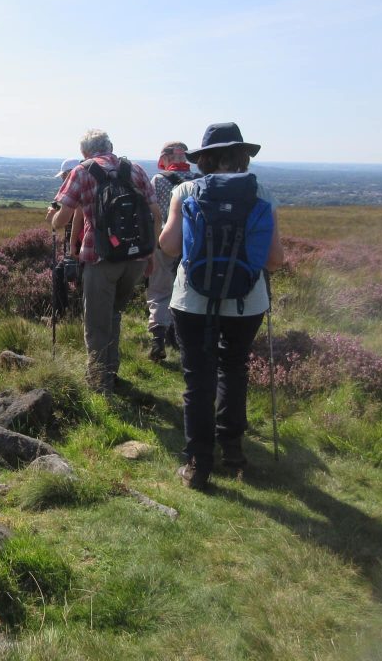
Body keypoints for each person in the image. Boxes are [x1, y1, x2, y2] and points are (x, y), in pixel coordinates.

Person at [158, 122, 284, 490]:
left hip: (193, 300)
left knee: (198, 378)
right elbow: (275, 260)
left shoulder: (185, 190)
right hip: (248, 301)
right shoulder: (262, 191)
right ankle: (233, 449)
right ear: (243, 155)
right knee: (234, 367)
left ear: (205, 158)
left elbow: (168, 246)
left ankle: (198, 464)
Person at [49, 130, 162, 394]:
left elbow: (62, 219)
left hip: (100, 258)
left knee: (96, 322)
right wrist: (151, 254)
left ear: (84, 152)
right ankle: (110, 372)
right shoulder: (134, 169)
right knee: (114, 314)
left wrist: (53, 219)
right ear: (110, 146)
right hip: (135, 257)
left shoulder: (82, 171)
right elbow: (156, 214)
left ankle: (99, 384)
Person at [146, 142, 200, 361]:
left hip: (164, 241)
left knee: (159, 291)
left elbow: (152, 213)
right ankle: (182, 339)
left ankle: (158, 337)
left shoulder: (158, 180)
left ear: (166, 158)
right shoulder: (199, 180)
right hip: (193, 244)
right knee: (188, 290)